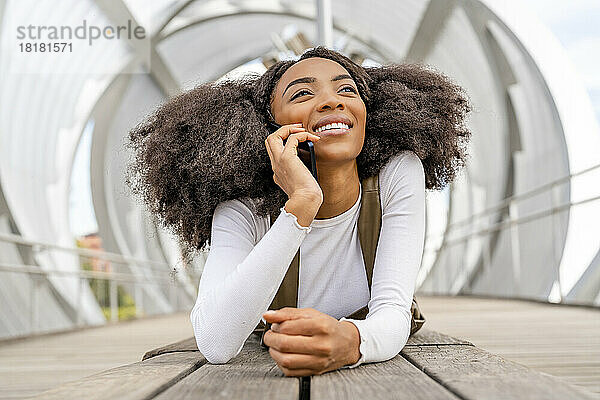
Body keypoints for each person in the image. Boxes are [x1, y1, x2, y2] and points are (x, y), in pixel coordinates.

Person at [126, 46, 471, 377]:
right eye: (302, 94)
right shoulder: (243, 206)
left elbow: (393, 311)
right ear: (269, 128)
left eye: (347, 90)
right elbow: (216, 341)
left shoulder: (397, 172)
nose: (333, 101)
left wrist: (350, 343)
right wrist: (301, 205)